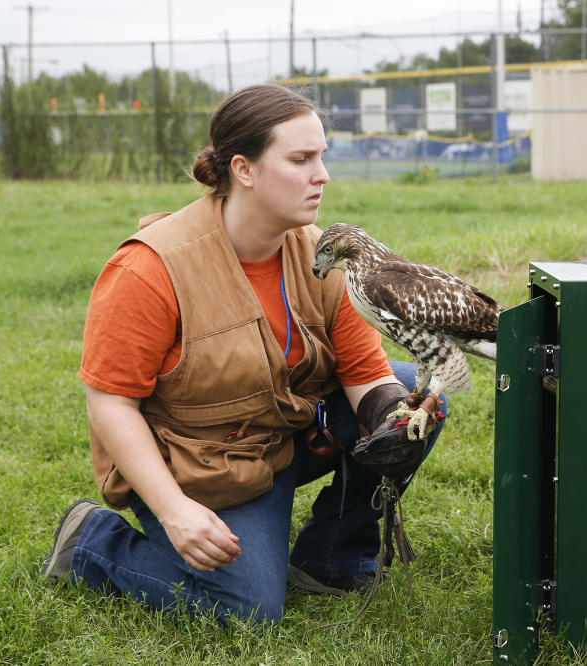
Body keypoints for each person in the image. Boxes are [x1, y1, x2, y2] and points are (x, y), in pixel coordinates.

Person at [39, 84, 446, 624]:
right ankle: (91, 542)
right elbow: (111, 404)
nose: (321, 174)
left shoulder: (320, 257)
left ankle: (330, 559)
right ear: (244, 169)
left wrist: (392, 413)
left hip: (282, 435)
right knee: (247, 610)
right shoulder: (150, 269)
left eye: (322, 157)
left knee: (415, 399)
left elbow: (366, 373)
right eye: (301, 159)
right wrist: (175, 510)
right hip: (197, 465)